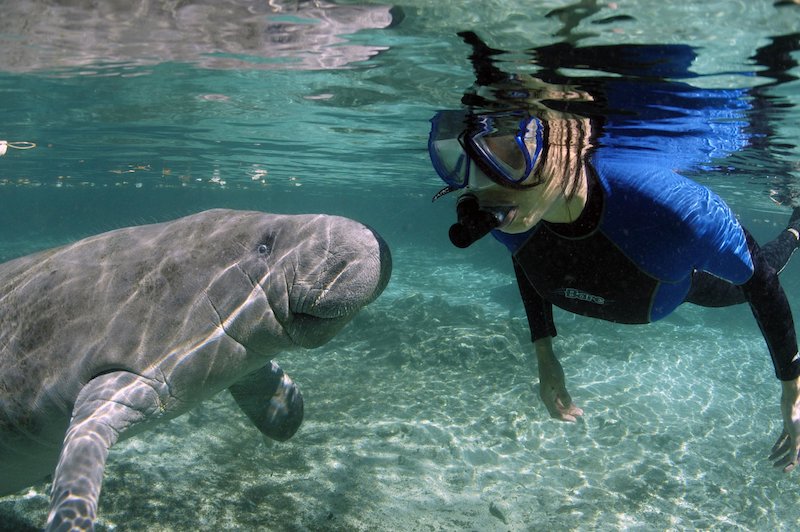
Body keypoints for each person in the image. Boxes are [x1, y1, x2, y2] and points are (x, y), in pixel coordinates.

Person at [429, 36, 800, 472]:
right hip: (637, 290)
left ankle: (797, 222)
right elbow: (526, 259)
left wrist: (792, 390)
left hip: (674, 287)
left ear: (565, 142)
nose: (483, 185)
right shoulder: (511, 218)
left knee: (764, 265)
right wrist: (546, 358)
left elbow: (760, 281)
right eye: (458, 159)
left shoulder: (672, 213)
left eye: (512, 156)